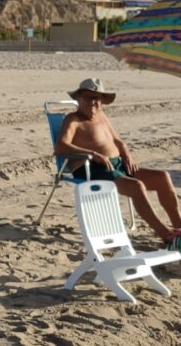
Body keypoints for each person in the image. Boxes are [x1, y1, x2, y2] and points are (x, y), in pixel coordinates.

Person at [56, 78, 181, 249]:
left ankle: (179, 227)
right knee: (136, 186)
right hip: (91, 167)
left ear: (101, 101)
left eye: (97, 98)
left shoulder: (101, 116)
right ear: (78, 98)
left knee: (162, 177)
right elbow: (61, 147)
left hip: (117, 164)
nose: (93, 102)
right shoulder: (73, 119)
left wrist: (127, 154)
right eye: (88, 98)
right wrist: (93, 154)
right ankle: (167, 236)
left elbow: (117, 140)